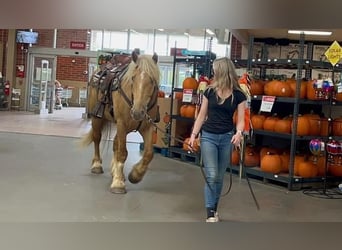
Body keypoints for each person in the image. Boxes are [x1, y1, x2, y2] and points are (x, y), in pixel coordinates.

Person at [188, 57, 247, 222]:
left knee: (219, 177)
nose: (213, 72)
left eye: (215, 70)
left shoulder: (239, 95)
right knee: (212, 175)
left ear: (222, 71)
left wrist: (239, 132)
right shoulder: (209, 91)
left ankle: (214, 209)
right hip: (208, 137)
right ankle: (209, 213)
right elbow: (201, 115)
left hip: (227, 138)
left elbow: (241, 119)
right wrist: (193, 135)